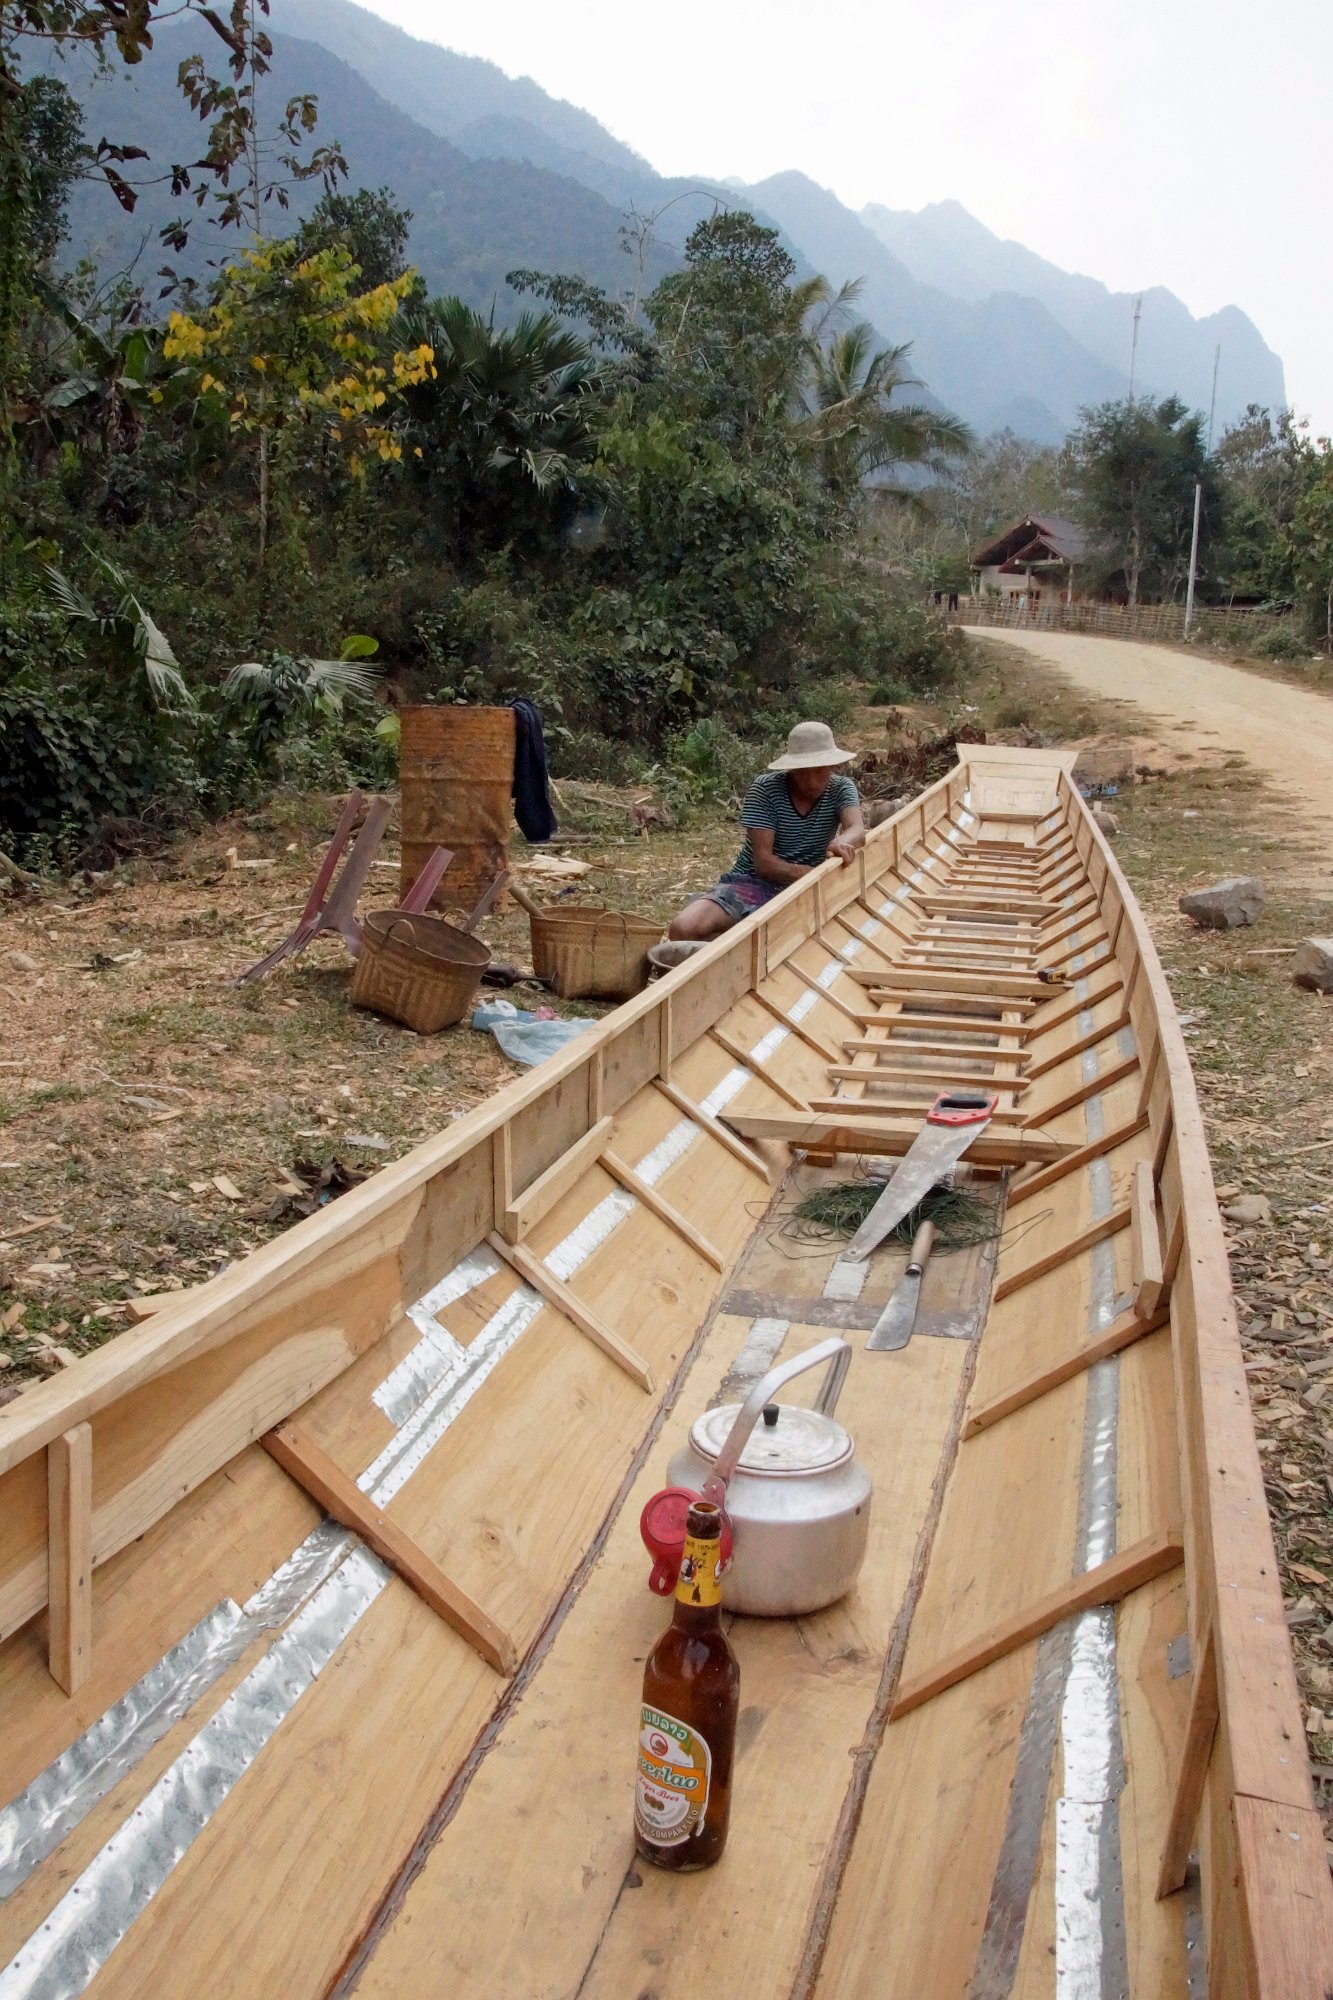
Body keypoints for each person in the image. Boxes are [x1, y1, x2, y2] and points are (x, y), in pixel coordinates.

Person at [668, 721, 864, 943]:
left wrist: (841, 842)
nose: (811, 781)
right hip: (754, 884)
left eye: (819, 770)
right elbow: (765, 864)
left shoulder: (841, 788)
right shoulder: (766, 789)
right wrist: (813, 875)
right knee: (683, 928)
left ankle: (746, 943)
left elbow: (856, 828)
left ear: (832, 766)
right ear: (792, 768)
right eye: (802, 772)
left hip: (809, 886)